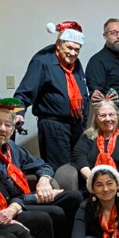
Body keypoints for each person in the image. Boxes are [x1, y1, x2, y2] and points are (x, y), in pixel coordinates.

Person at [0, 101, 84, 238]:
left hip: (21, 199)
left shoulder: (11, 148)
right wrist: (34, 198)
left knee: (73, 197)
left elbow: (42, 164)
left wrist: (44, 180)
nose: (2, 128)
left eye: (8, 124)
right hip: (6, 206)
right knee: (54, 213)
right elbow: (4, 196)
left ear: (13, 129)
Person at [14, 21, 89, 168]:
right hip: (53, 126)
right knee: (61, 169)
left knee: (78, 166)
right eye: (69, 47)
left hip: (76, 125)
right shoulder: (42, 61)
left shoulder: (76, 63)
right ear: (59, 44)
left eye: (77, 49)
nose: (73, 53)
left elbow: (82, 93)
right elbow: (24, 92)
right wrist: (19, 112)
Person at [71, 90, 119, 203]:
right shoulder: (87, 137)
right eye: (103, 115)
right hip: (94, 181)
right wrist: (92, 179)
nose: (108, 119)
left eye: (111, 115)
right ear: (96, 118)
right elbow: (78, 156)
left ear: (118, 117)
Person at [86, 18, 119, 127]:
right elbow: (97, 97)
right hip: (112, 121)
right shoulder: (97, 61)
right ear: (105, 36)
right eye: (113, 33)